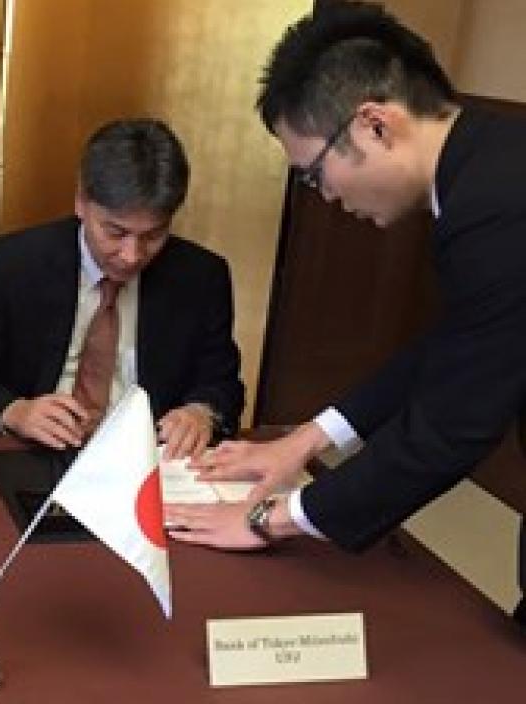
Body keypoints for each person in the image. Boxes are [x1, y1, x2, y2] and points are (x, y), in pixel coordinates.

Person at [166, 2, 526, 629]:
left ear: (374, 125)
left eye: (314, 174)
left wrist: (272, 517)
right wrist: (306, 440)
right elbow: (456, 342)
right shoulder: (490, 164)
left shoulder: (499, 208)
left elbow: (451, 428)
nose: (327, 197)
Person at [0, 118, 244, 460]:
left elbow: (222, 383)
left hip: (143, 460)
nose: (131, 255)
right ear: (81, 201)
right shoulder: (13, 262)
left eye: (153, 235)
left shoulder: (201, 276)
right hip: (32, 451)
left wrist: (202, 413)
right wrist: (15, 412)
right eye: (115, 232)